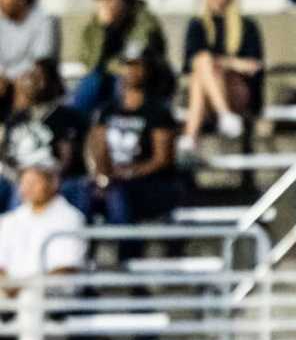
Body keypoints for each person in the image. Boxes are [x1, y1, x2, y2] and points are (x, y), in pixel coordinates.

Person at [88, 43, 184, 252]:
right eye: (127, 65)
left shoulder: (158, 112)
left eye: (137, 65)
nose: (132, 71)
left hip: (150, 185)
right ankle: (83, 259)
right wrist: (104, 175)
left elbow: (162, 159)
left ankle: (128, 256)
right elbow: (98, 149)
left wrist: (128, 173)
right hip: (114, 181)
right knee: (82, 192)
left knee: (118, 194)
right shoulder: (107, 111)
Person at [179, 0, 264, 156]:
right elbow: (189, 63)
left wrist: (221, 64)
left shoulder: (247, 26)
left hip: (237, 91)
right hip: (208, 95)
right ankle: (224, 115)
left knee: (204, 66)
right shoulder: (197, 24)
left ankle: (191, 136)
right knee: (203, 65)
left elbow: (252, 66)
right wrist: (230, 63)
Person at [72, 0, 169, 115]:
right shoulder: (94, 25)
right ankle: (75, 121)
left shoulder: (144, 20)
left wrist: (111, 66)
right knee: (92, 81)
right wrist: (106, 29)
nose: (106, 4)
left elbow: (136, 58)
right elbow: (91, 63)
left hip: (144, 81)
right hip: (104, 79)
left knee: (119, 81)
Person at [2, 61, 91, 215]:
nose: (32, 82)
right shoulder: (15, 119)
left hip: (53, 180)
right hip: (18, 178)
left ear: (53, 82)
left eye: (38, 77)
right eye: (29, 77)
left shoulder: (67, 117)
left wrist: (39, 179)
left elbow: (67, 160)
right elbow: (5, 156)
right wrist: (20, 177)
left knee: (30, 191)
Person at [0, 157, 87, 282]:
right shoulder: (11, 219)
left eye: (34, 182)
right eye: (24, 182)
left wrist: (26, 286)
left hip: (50, 290)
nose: (28, 187)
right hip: (9, 289)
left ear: (53, 183)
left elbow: (66, 268)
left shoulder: (71, 218)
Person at [0, 0, 58, 114]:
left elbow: (40, 63)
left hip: (31, 79)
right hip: (5, 78)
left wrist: (13, 78)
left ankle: (19, 124)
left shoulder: (44, 20)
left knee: (26, 83)